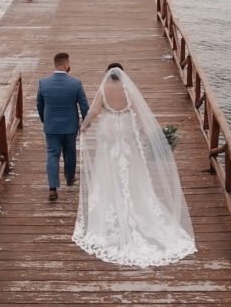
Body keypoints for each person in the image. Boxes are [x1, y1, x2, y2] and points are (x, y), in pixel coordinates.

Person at [72, 63, 196, 267]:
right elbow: (140, 113)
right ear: (123, 75)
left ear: (107, 75)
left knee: (108, 168)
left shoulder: (104, 90)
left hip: (110, 132)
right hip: (127, 132)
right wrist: (155, 138)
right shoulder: (129, 90)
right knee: (131, 168)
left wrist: (84, 126)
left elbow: (94, 111)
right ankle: (136, 203)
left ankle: (112, 203)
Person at [36, 52, 89, 201]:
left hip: (51, 126)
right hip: (70, 126)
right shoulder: (76, 83)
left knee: (52, 154)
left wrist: (44, 120)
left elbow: (39, 104)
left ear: (55, 64)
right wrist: (86, 121)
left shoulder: (43, 83)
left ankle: (52, 187)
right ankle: (70, 179)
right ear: (66, 65)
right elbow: (84, 105)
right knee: (70, 152)